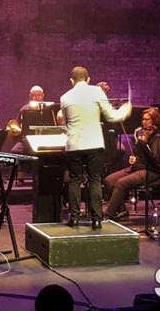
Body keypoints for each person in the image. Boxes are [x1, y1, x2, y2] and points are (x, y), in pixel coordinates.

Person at [60, 66, 131, 229]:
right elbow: (111, 116)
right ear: (88, 79)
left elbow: (65, 123)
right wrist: (125, 110)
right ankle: (97, 219)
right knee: (95, 180)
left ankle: (74, 218)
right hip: (94, 143)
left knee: (74, 180)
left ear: (71, 81)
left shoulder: (65, 97)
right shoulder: (97, 92)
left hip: (74, 144)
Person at [104, 107, 160, 220]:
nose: (144, 122)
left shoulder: (157, 137)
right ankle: (122, 210)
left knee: (121, 183)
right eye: (143, 119)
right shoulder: (140, 133)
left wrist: (144, 144)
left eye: (147, 119)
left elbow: (154, 159)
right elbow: (138, 154)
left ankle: (108, 214)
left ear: (154, 121)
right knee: (109, 180)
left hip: (151, 170)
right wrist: (134, 158)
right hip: (138, 167)